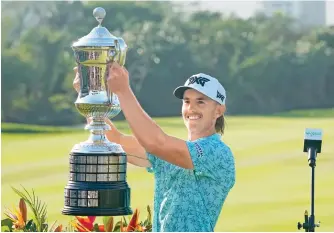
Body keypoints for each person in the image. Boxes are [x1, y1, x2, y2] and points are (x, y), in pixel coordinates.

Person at [73, 63, 236, 232]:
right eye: (186, 101)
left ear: (218, 110)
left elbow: (155, 142)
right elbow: (115, 141)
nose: (191, 108)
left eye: (200, 102)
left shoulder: (218, 153)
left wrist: (123, 91)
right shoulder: (169, 154)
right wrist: (85, 95)